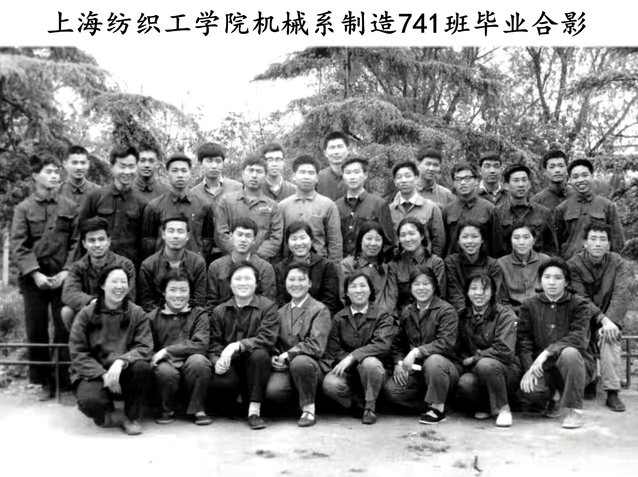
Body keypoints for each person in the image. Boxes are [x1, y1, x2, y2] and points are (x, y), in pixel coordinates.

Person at [11, 154, 79, 400]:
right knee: (36, 328)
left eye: (56, 172)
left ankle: (64, 383)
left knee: (64, 327)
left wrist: (67, 271)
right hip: (34, 279)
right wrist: (35, 273)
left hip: (63, 276)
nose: (54, 176)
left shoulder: (70, 207)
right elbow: (19, 245)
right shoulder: (23, 209)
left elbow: (76, 242)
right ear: (35, 176)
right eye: (48, 172)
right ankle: (43, 383)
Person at [69, 266, 153, 436]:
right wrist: (102, 375)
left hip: (124, 370)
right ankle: (112, 415)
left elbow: (144, 346)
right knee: (90, 402)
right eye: (114, 281)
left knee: (142, 368)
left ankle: (132, 417)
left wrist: (121, 361)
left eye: (123, 282)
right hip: (95, 372)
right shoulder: (86, 314)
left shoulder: (137, 313)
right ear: (102, 285)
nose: (119, 286)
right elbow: (78, 352)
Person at [517, 258, 597, 429]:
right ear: (540, 280)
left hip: (576, 365)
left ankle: (575, 410)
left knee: (570, 353)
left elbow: (578, 338)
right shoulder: (529, 305)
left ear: (566, 282)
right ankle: (555, 396)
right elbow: (524, 341)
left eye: (557, 278)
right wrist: (529, 369)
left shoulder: (579, 304)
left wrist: (547, 352)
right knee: (531, 391)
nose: (551, 282)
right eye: (547, 277)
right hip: (544, 367)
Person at [207, 262, 280, 430]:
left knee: (259, 354)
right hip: (231, 363)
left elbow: (267, 338)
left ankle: (254, 411)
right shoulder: (219, 311)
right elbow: (214, 344)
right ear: (230, 284)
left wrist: (237, 345)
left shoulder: (268, 307)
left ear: (256, 283)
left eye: (248, 279)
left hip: (256, 364)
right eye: (238, 279)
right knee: (220, 381)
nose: (242, 283)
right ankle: (234, 405)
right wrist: (216, 361)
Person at [383, 266, 459, 425]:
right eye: (416, 284)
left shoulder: (446, 311)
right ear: (411, 288)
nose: (421, 288)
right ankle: (434, 403)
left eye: (426, 284)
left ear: (434, 286)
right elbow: (398, 343)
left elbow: (445, 343)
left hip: (444, 370)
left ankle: (437, 409)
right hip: (417, 371)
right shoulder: (407, 311)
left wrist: (417, 352)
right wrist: (398, 363)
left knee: (434, 361)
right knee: (392, 391)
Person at [568, 224, 632, 412]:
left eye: (603, 239)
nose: (598, 244)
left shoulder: (618, 262)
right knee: (580, 337)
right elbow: (580, 298)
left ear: (609, 244)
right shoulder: (573, 265)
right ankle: (589, 379)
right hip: (583, 317)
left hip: (610, 317)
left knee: (609, 335)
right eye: (593, 239)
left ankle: (612, 391)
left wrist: (609, 322)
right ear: (584, 243)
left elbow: (621, 294)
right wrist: (602, 319)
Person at [322, 272, 395, 425]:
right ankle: (357, 405)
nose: (358, 290)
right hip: (349, 372)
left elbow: (382, 344)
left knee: (369, 363)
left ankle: (370, 408)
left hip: (376, 370)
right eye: (353, 287)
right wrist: (352, 363)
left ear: (370, 290)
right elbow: (333, 349)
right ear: (347, 293)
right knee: (330, 383)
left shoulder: (383, 315)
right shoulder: (339, 318)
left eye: (363, 286)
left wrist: (354, 357)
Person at [265, 264, 332, 427]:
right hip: (287, 367)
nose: (296, 284)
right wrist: (274, 356)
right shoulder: (280, 312)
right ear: (285, 283)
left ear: (310, 283)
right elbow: (274, 342)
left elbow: (316, 345)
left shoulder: (320, 310)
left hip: (313, 365)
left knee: (300, 362)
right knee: (273, 391)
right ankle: (298, 400)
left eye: (301, 279)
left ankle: (309, 409)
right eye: (291, 279)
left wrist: (288, 355)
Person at [456, 273, 521, 427]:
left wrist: (476, 358)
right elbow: (459, 349)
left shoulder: (504, 314)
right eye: (474, 288)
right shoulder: (463, 316)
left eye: (484, 289)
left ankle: (503, 409)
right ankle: (485, 405)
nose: (479, 293)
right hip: (476, 370)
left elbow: (505, 351)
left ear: (492, 292)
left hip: (506, 368)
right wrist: (466, 361)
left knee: (486, 364)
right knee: (465, 383)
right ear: (467, 292)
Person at [150, 270, 212, 425]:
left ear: (190, 292)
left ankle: (198, 408)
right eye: (173, 290)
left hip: (190, 363)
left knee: (199, 362)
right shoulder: (152, 317)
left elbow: (201, 344)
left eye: (183, 290)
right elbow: (147, 346)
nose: (178, 295)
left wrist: (168, 351)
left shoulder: (199, 314)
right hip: (166, 365)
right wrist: (160, 356)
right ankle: (166, 409)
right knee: (164, 371)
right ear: (163, 292)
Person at [79, 145, 148, 269]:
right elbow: (82, 233)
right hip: (97, 267)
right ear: (112, 168)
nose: (127, 172)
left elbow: (145, 243)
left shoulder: (142, 203)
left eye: (131, 166)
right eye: (122, 166)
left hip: (129, 268)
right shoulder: (95, 197)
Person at [62, 217, 136, 329]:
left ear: (109, 241)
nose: (97, 245)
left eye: (101, 239)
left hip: (117, 313)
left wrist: (106, 305)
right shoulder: (77, 267)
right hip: (89, 312)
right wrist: (93, 302)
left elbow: (129, 295)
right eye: (92, 240)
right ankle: (80, 339)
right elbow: (69, 293)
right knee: (67, 312)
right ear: (84, 244)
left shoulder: (125, 265)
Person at [142, 152, 215, 261]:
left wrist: (198, 258)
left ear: (190, 173)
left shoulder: (204, 206)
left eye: (184, 170)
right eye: (175, 170)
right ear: (167, 174)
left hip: (194, 266)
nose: (180, 175)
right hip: (163, 266)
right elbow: (148, 242)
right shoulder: (154, 207)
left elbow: (207, 240)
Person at [215, 156, 284, 261]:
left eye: (259, 171)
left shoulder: (272, 206)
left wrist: (255, 258)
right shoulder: (226, 201)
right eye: (250, 171)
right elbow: (221, 233)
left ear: (265, 176)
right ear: (242, 174)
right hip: (231, 261)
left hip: (261, 262)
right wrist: (238, 254)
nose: (254, 175)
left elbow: (275, 238)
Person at [554, 158, 625, 259]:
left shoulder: (608, 206)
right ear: (570, 180)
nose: (580, 180)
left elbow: (618, 242)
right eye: (575, 177)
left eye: (585, 175)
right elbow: (556, 243)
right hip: (570, 263)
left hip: (600, 264)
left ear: (592, 176)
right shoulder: (562, 209)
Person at [278, 154, 343, 261]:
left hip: (320, 264)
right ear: (294, 176)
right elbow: (279, 241)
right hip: (290, 265)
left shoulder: (328, 205)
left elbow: (335, 242)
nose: (306, 177)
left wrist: (334, 268)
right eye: (302, 172)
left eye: (311, 173)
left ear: (317, 178)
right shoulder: (283, 206)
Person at [139, 216, 207, 312]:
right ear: (163, 234)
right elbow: (147, 302)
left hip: (190, 315)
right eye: (171, 231)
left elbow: (199, 299)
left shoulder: (198, 263)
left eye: (180, 231)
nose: (175, 236)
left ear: (188, 236)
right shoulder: (149, 265)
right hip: (158, 316)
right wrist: (164, 315)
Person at [274, 222, 341, 317]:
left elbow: (330, 302)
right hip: (289, 320)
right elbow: (281, 302)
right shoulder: (280, 268)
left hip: (320, 318)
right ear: (287, 242)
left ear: (311, 240)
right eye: (294, 239)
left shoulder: (326, 266)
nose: (299, 243)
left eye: (303, 238)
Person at [207, 218, 276, 308]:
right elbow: (210, 303)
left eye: (248, 236)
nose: (243, 240)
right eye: (239, 235)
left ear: (254, 240)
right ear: (231, 236)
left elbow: (268, 303)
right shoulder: (216, 267)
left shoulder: (265, 268)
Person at [190, 142, 243, 262]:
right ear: (200, 163)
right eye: (209, 161)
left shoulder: (237, 188)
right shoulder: (193, 194)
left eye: (218, 161)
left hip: (233, 252)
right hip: (204, 255)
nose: (214, 166)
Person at [335, 157, 395, 257]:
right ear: (343, 176)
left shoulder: (379, 204)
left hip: (370, 262)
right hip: (342, 263)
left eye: (356, 172)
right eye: (348, 173)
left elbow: (388, 242)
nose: (352, 177)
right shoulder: (336, 206)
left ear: (365, 175)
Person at [441, 162, 503, 257]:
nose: (462, 183)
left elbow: (496, 245)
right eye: (458, 179)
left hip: (483, 263)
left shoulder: (489, 209)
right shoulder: (447, 210)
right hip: (454, 263)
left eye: (467, 178)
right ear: (454, 183)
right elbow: (444, 244)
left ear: (476, 181)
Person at [495, 164, 557, 256]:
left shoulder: (543, 213)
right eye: (516, 180)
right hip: (507, 263)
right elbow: (493, 248)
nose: (521, 185)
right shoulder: (497, 213)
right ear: (506, 186)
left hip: (538, 263)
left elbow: (552, 248)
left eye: (524, 180)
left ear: (529, 184)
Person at [386, 217, 446, 313]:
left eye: (412, 234)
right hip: (402, 317)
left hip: (430, 316)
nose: (407, 239)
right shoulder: (394, 265)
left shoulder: (436, 263)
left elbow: (439, 297)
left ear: (422, 235)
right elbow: (391, 301)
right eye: (403, 235)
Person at [389, 160, 445, 257]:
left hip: (424, 263)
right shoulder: (390, 210)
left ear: (416, 178)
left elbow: (439, 241)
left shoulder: (430, 207)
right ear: (395, 182)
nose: (403, 180)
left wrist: (431, 262)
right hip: (397, 263)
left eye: (407, 176)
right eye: (399, 177)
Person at [445, 221, 503, 312]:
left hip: (487, 313)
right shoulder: (451, 263)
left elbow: (494, 296)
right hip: (460, 313)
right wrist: (468, 316)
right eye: (465, 237)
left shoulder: (493, 265)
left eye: (475, 236)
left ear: (482, 240)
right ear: (458, 241)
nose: (470, 241)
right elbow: (454, 296)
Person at [497, 223, 550, 314]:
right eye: (516, 238)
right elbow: (502, 301)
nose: (521, 242)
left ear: (534, 240)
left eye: (526, 237)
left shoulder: (545, 260)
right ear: (510, 240)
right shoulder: (501, 263)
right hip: (514, 314)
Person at [339, 220, 391, 312]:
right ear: (360, 241)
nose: (373, 243)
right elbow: (344, 298)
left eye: (378, 239)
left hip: (382, 317)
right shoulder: (348, 265)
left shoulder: (385, 268)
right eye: (369, 239)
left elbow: (389, 299)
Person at [316, 130, 350, 201]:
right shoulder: (318, 178)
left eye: (340, 147)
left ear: (348, 150)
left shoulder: (359, 176)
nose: (336, 152)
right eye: (332, 148)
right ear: (325, 153)